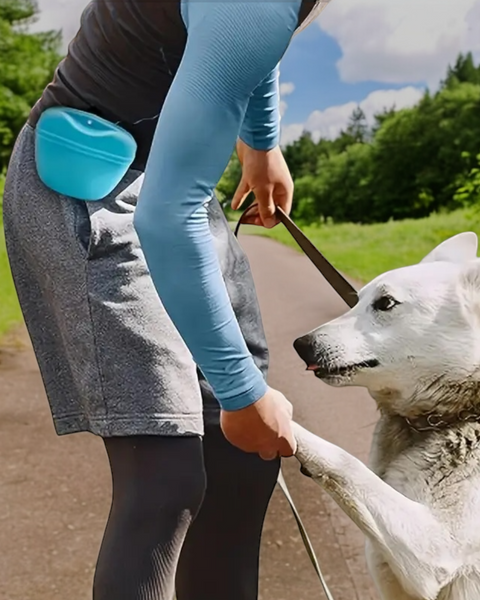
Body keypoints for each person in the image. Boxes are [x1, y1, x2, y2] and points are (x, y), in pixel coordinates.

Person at [2, 1, 328, 598]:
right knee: (165, 481)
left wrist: (260, 142)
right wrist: (242, 393)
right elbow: (166, 221)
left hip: (170, 180)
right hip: (86, 180)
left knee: (241, 460)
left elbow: (249, 42)